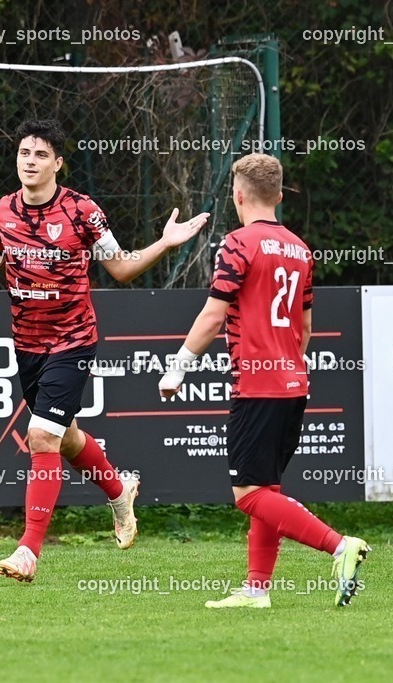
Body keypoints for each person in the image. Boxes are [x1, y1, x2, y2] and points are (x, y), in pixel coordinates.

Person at [0, 118, 209, 582]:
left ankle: (27, 551)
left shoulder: (82, 210)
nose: (31, 162)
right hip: (27, 344)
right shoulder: (3, 211)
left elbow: (119, 268)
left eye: (41, 155)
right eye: (24, 153)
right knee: (69, 437)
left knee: (42, 438)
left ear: (58, 163)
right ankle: (119, 492)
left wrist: (163, 242)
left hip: (73, 340)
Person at [158, 153, 370, 608]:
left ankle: (340, 545)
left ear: (238, 195)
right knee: (267, 490)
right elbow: (307, 328)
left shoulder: (237, 243)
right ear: (277, 195)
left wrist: (177, 367)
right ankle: (257, 590)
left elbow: (214, 314)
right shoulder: (300, 248)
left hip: (259, 388)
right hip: (294, 383)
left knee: (248, 495)